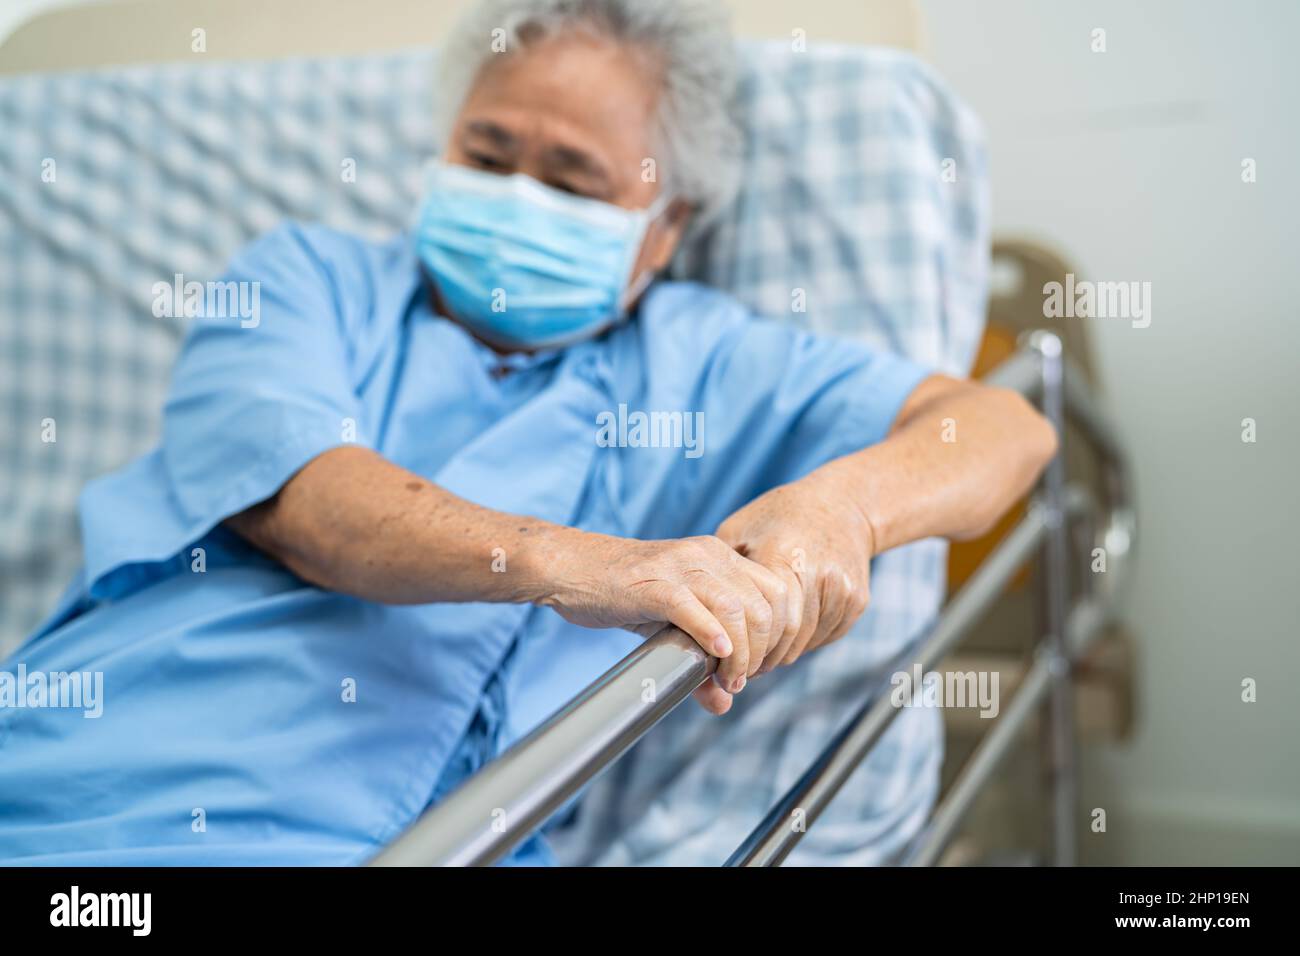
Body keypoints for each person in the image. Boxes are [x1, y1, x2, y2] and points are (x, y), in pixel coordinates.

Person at [0, 0, 1054, 865]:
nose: (512, 198)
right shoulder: (303, 279)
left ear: (664, 227)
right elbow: (308, 503)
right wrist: (591, 568)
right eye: (487, 152)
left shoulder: (708, 363)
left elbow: (1002, 429)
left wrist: (840, 508)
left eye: (570, 181)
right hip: (84, 762)